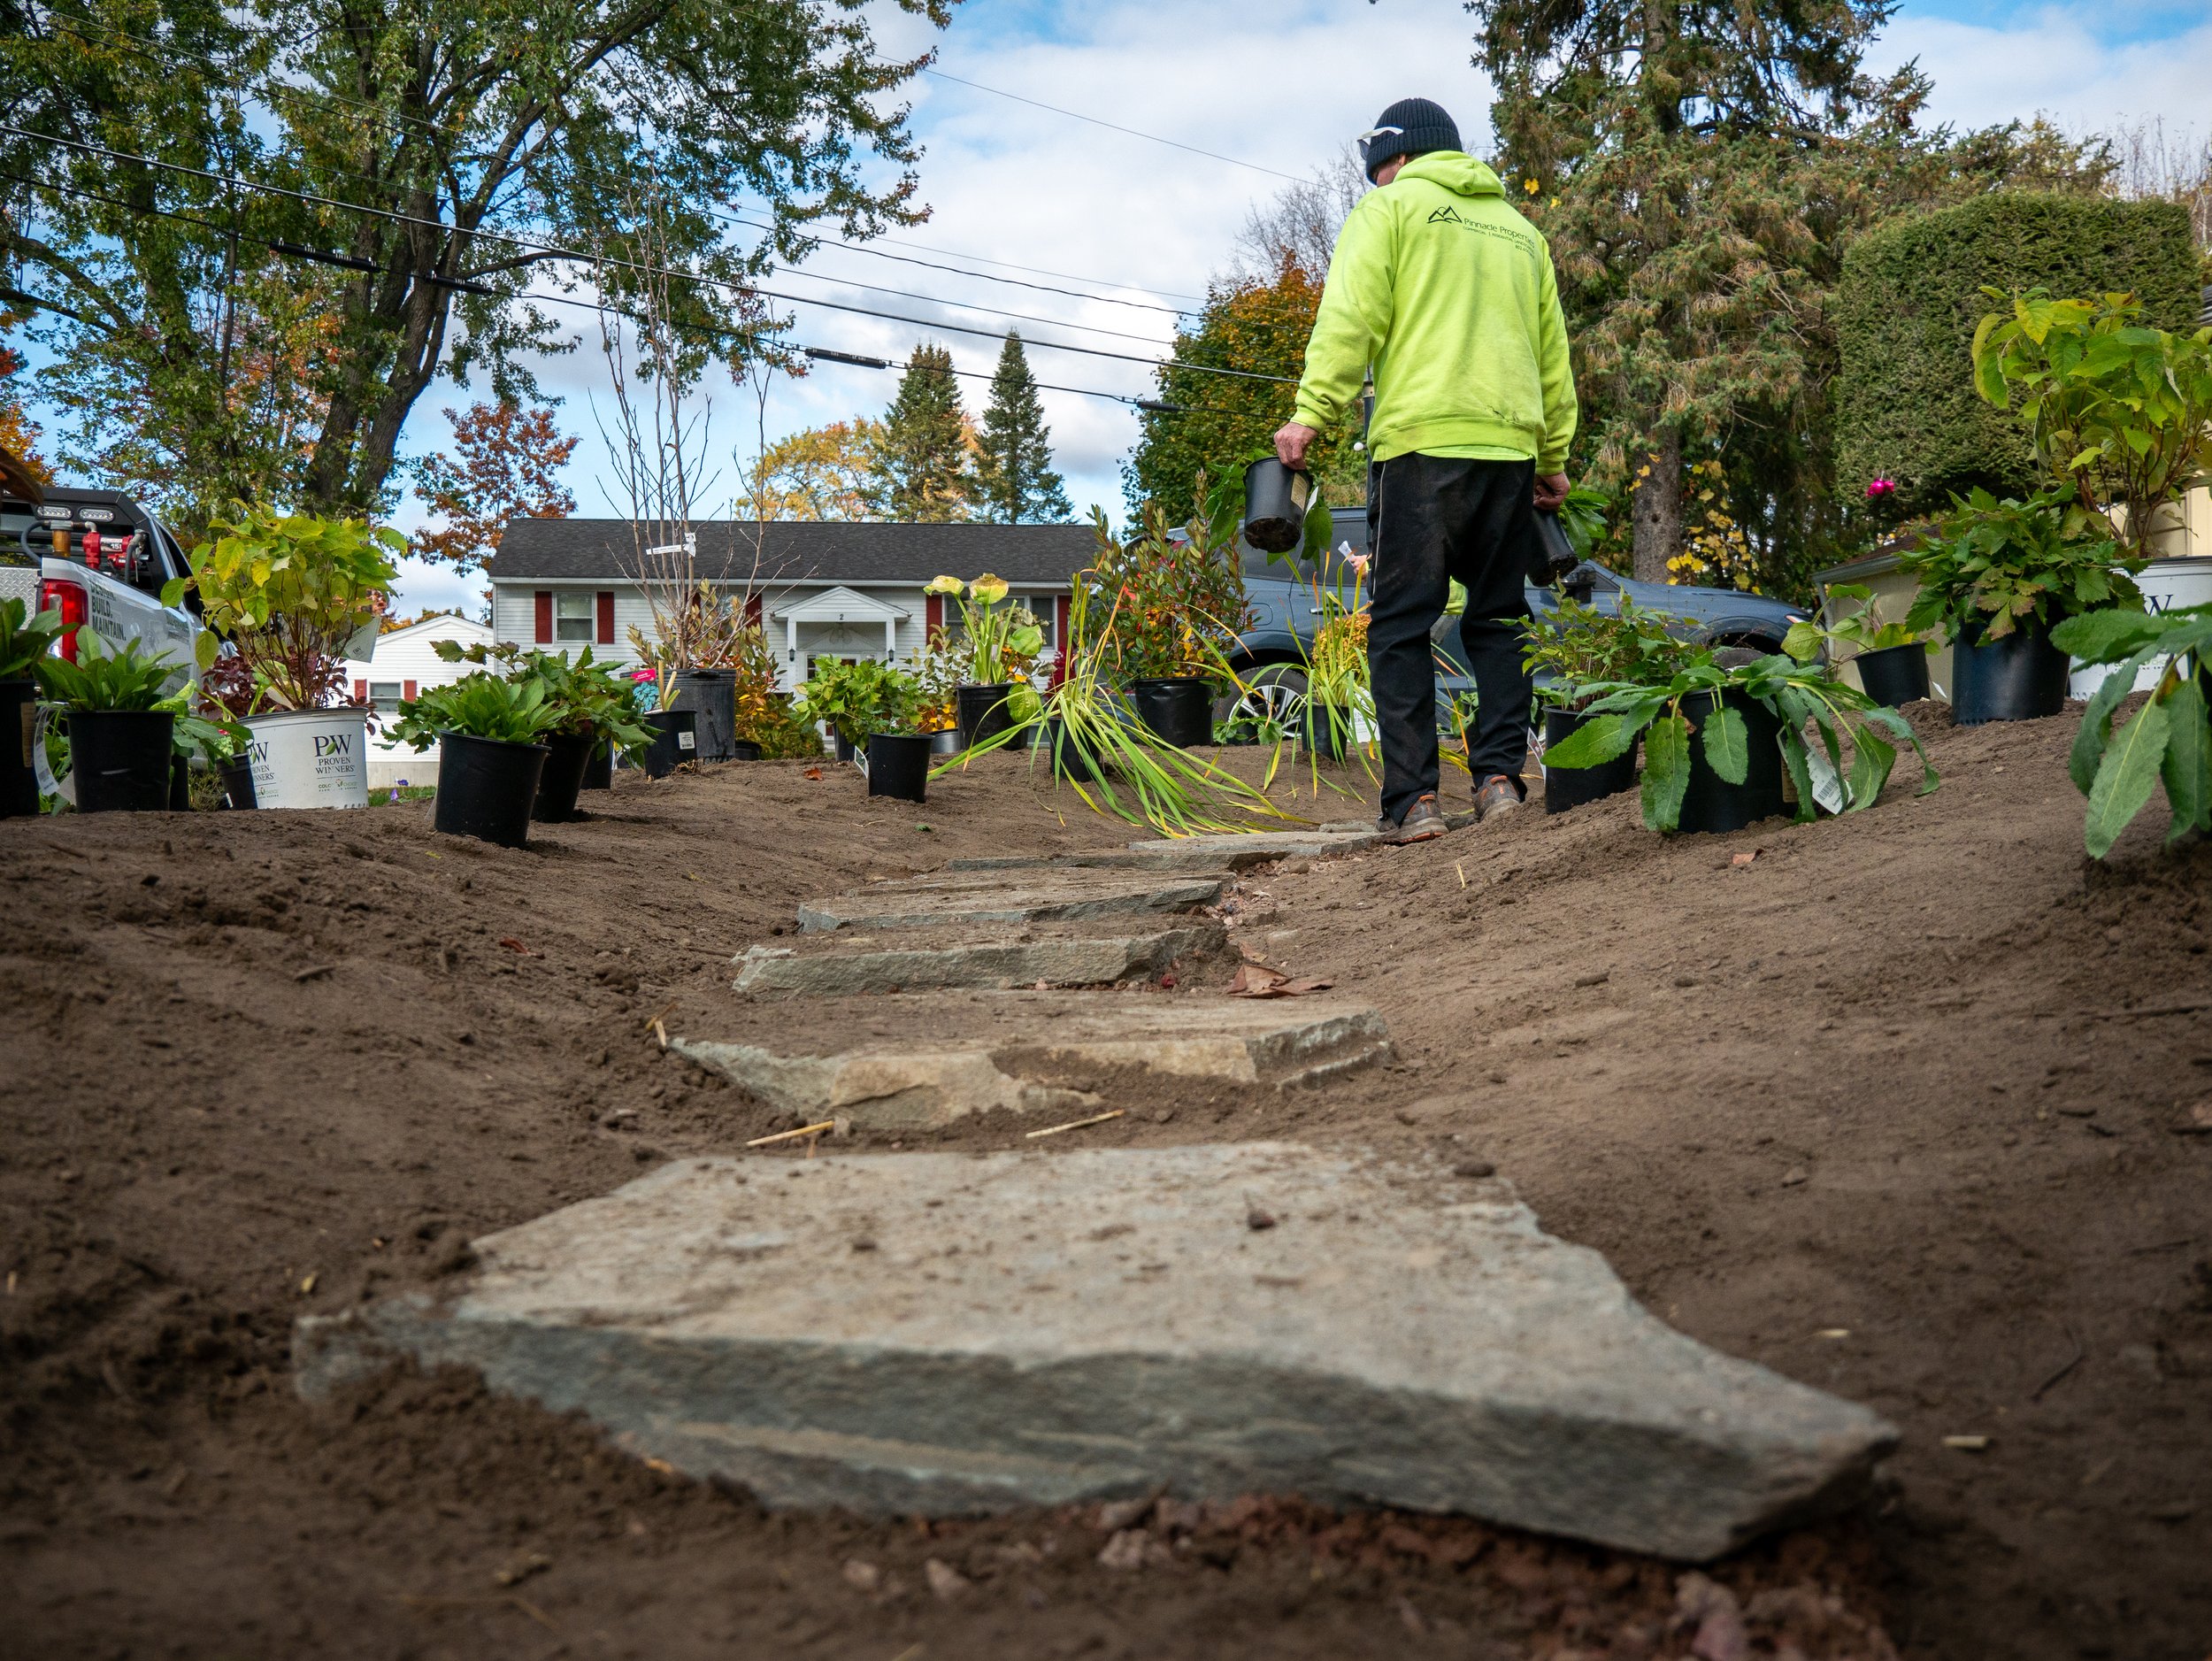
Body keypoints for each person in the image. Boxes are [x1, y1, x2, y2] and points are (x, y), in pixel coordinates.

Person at [1276, 96, 1577, 843]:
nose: (1378, 184)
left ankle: (1414, 802)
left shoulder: (1392, 211)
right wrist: (1554, 457)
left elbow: (1351, 317)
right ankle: (1501, 781)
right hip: (1509, 452)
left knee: (1404, 622)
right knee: (1501, 619)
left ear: (1397, 158)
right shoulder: (1520, 232)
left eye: (1379, 170)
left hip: (1421, 448)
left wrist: (1312, 410)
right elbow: (1553, 358)